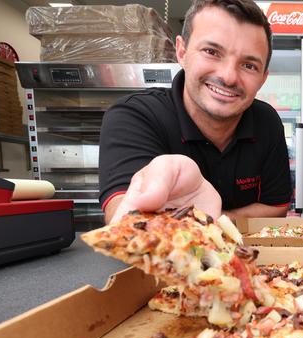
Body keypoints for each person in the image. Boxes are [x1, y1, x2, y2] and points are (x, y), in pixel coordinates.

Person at [99, 0, 291, 224]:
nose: (229, 77)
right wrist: (207, 223)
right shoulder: (135, 116)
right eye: (212, 51)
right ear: (181, 51)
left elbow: (275, 207)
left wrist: (211, 220)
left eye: (249, 65)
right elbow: (124, 219)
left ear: (263, 78)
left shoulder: (266, 121)